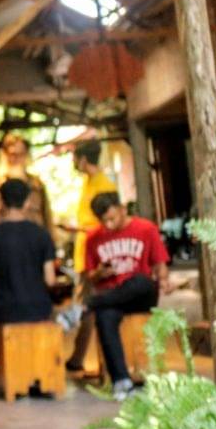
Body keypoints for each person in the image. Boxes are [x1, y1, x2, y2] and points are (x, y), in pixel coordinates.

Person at [0, 179, 56, 394]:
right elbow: (50, 280)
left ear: (1, 202)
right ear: (27, 202)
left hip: (3, 309)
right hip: (39, 308)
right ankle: (41, 373)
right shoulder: (42, 235)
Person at [80, 191, 171, 400]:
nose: (109, 225)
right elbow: (90, 276)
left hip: (141, 295)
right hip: (112, 298)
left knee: (141, 281)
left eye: (113, 218)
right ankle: (121, 382)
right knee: (104, 317)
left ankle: (88, 304)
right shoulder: (93, 238)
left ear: (122, 209)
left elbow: (159, 264)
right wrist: (100, 273)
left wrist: (165, 281)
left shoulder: (146, 228)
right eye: (104, 221)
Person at [63, 139, 118, 372]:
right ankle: (78, 358)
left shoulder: (103, 185)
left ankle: (80, 359)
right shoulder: (89, 182)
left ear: (84, 159)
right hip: (84, 257)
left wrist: (75, 229)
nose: (74, 162)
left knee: (86, 307)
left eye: (75, 157)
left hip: (97, 259)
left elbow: (109, 225)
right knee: (85, 307)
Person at [0, 133, 53, 235]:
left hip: (33, 244)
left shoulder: (37, 185)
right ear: (4, 154)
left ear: (26, 155)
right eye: (13, 154)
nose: (17, 159)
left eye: (21, 154)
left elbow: (47, 218)